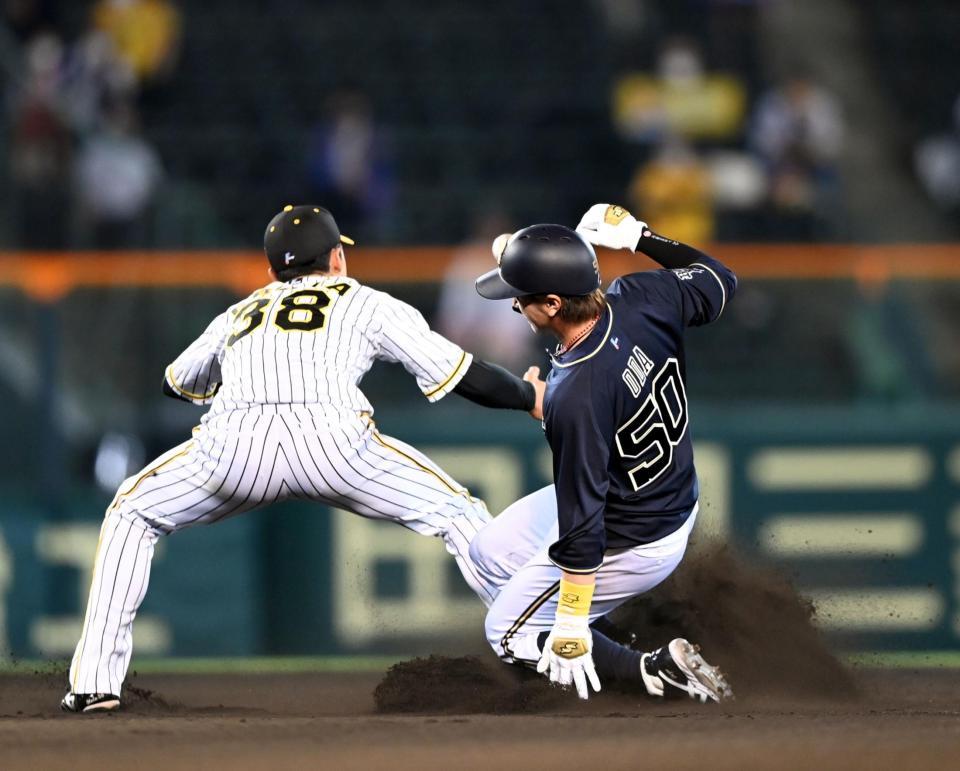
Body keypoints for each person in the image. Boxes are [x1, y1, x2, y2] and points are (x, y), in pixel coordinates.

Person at [61, 204, 539, 713]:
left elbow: (176, 382)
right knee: (458, 514)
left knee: (132, 511)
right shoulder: (365, 302)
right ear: (337, 258)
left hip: (234, 450)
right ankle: (535, 649)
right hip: (334, 445)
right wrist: (528, 397)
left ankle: (94, 684)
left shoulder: (241, 311)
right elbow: (463, 374)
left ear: (272, 271)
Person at [470, 203, 737, 701]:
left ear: (552, 304)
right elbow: (720, 281)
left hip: (633, 535)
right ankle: (618, 640)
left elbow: (583, 523)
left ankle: (654, 672)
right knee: (489, 554)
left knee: (506, 634)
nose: (513, 305)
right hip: (656, 494)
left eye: (520, 297)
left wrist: (571, 619)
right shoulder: (641, 296)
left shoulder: (576, 394)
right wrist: (642, 236)